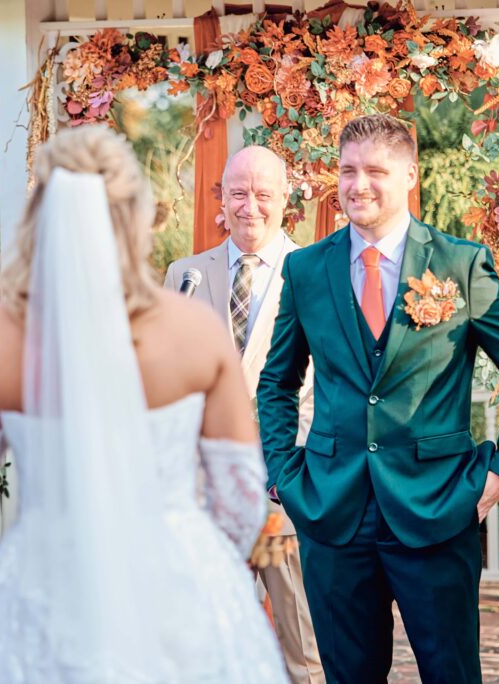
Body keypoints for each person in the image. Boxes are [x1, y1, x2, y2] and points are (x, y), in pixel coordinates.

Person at [0, 124, 289, 683]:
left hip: (46, 586)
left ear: (39, 216)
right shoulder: (193, 329)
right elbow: (239, 507)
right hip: (174, 588)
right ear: (136, 217)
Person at [257, 113, 499, 684]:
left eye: (374, 170)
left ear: (410, 174)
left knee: (451, 673)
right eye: (346, 170)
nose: (357, 184)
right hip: (331, 512)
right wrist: (283, 472)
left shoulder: (459, 264)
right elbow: (277, 381)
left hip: (438, 507)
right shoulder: (306, 268)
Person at [164, 145, 323, 684]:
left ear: (285, 198)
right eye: (238, 192)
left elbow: (326, 390)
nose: (249, 205)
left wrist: (294, 475)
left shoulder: (315, 273)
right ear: (221, 198)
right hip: (207, 496)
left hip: (282, 494)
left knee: (305, 647)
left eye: (262, 193)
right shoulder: (182, 276)